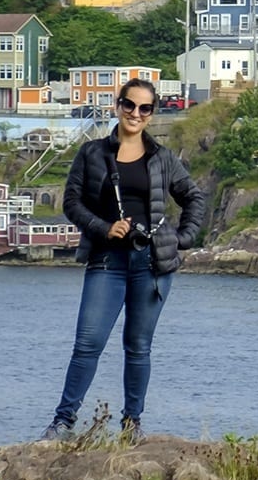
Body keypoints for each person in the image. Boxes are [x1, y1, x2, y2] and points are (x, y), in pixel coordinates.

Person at [44, 77, 207, 442]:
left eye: (145, 108)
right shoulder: (92, 153)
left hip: (152, 266)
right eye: (129, 105)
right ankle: (62, 423)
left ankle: (131, 426)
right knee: (87, 343)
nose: (136, 113)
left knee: (138, 348)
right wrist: (104, 228)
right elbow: (72, 203)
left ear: (152, 113)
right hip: (106, 261)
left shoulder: (163, 159)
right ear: (118, 106)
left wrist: (181, 238)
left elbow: (194, 198)